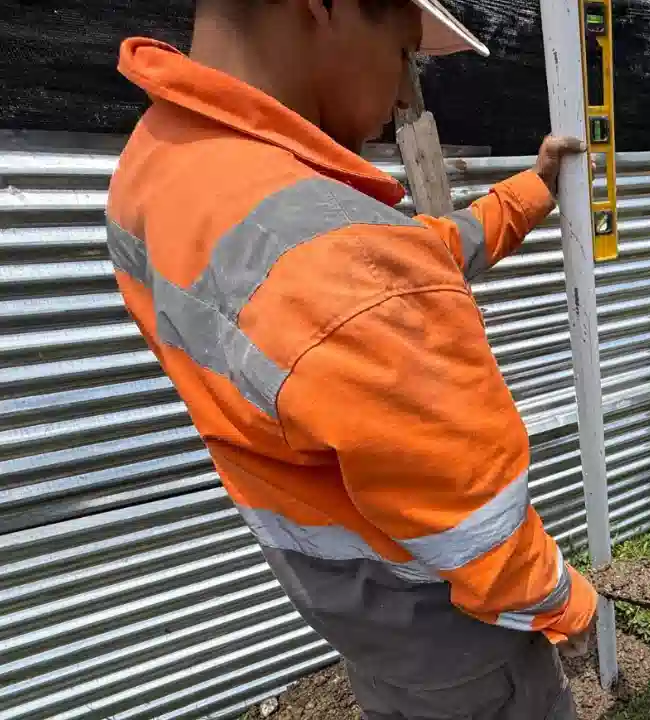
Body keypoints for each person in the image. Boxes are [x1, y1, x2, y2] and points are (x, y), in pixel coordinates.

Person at [105, 1, 595, 717]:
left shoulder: (155, 170)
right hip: (454, 640)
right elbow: (477, 529)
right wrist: (566, 604)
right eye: (402, 52)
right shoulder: (342, 257)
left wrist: (529, 193)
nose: (403, 91)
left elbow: (405, 260)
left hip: (356, 614)